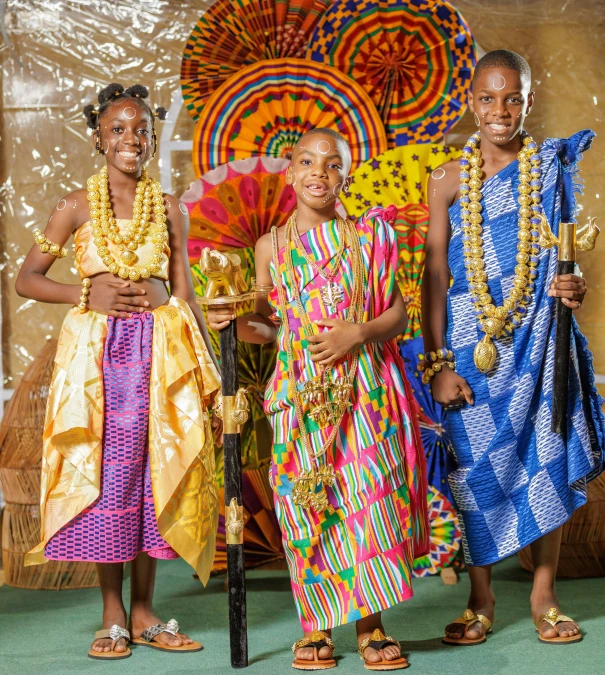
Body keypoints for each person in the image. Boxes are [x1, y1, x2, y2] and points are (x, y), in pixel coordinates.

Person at [207, 128, 429, 670]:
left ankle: (372, 628)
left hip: (365, 390)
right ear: (290, 172)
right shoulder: (270, 247)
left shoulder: (368, 237)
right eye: (307, 161)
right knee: (308, 507)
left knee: (367, 498)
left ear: (344, 177)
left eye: (332, 165)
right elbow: (267, 324)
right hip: (299, 395)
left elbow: (397, 314)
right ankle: (317, 627)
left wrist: (357, 332)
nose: (319, 173)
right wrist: (232, 317)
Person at [16, 83, 221, 660]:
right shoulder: (75, 206)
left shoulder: (171, 207)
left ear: (153, 137)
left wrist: (206, 377)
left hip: (160, 359)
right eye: (118, 130)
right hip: (98, 365)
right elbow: (26, 279)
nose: (131, 138)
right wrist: (85, 289)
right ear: (99, 138)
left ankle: (146, 612)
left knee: (155, 473)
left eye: (141, 130)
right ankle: (111, 615)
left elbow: (183, 295)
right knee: (109, 478)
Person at [422, 49, 604, 646]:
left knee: (546, 458)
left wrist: (571, 285)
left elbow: (564, 251)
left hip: (538, 339)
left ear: (528, 101)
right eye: (488, 98)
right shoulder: (446, 180)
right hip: (471, 345)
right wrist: (439, 362)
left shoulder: (549, 168)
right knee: (472, 472)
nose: (500, 110)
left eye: (513, 98)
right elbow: (433, 277)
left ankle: (544, 595)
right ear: (471, 103)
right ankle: (480, 599)